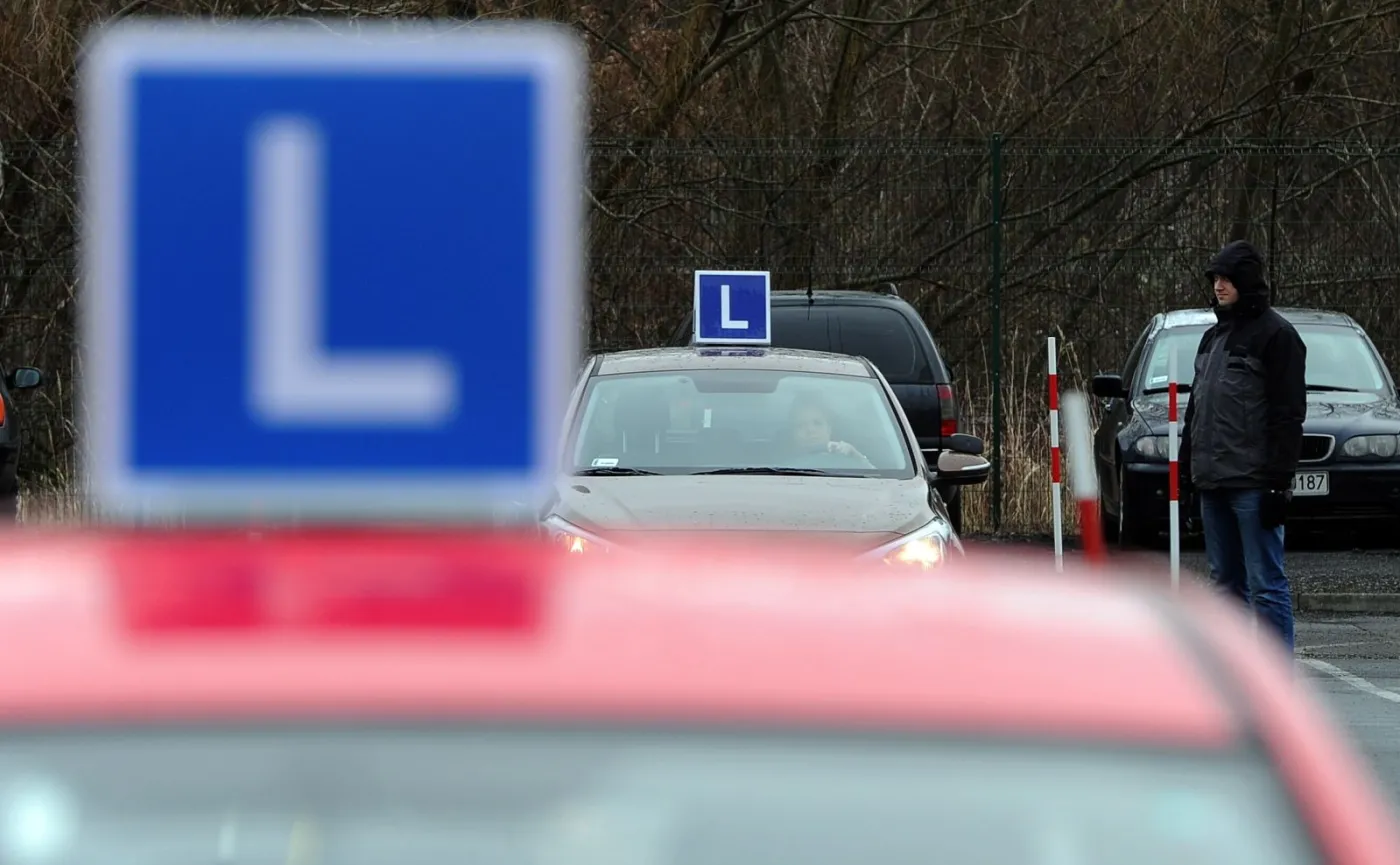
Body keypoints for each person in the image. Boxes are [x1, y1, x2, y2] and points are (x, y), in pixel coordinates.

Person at [1179, 240, 1306, 654]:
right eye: (1215, 278)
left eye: (1226, 278)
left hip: (1254, 483)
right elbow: (1197, 408)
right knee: (1224, 586)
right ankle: (1235, 679)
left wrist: (1278, 483)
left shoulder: (1278, 336)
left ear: (1246, 280)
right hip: (1212, 482)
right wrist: (1186, 472)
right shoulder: (1213, 337)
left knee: (1265, 584)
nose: (1218, 286)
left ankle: (1273, 685)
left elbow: (1288, 415)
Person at [784, 393, 874, 468]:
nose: (810, 430)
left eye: (817, 423)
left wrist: (855, 455)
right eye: (801, 425)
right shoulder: (778, 468)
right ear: (793, 433)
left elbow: (876, 479)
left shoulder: (849, 461)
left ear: (829, 428)